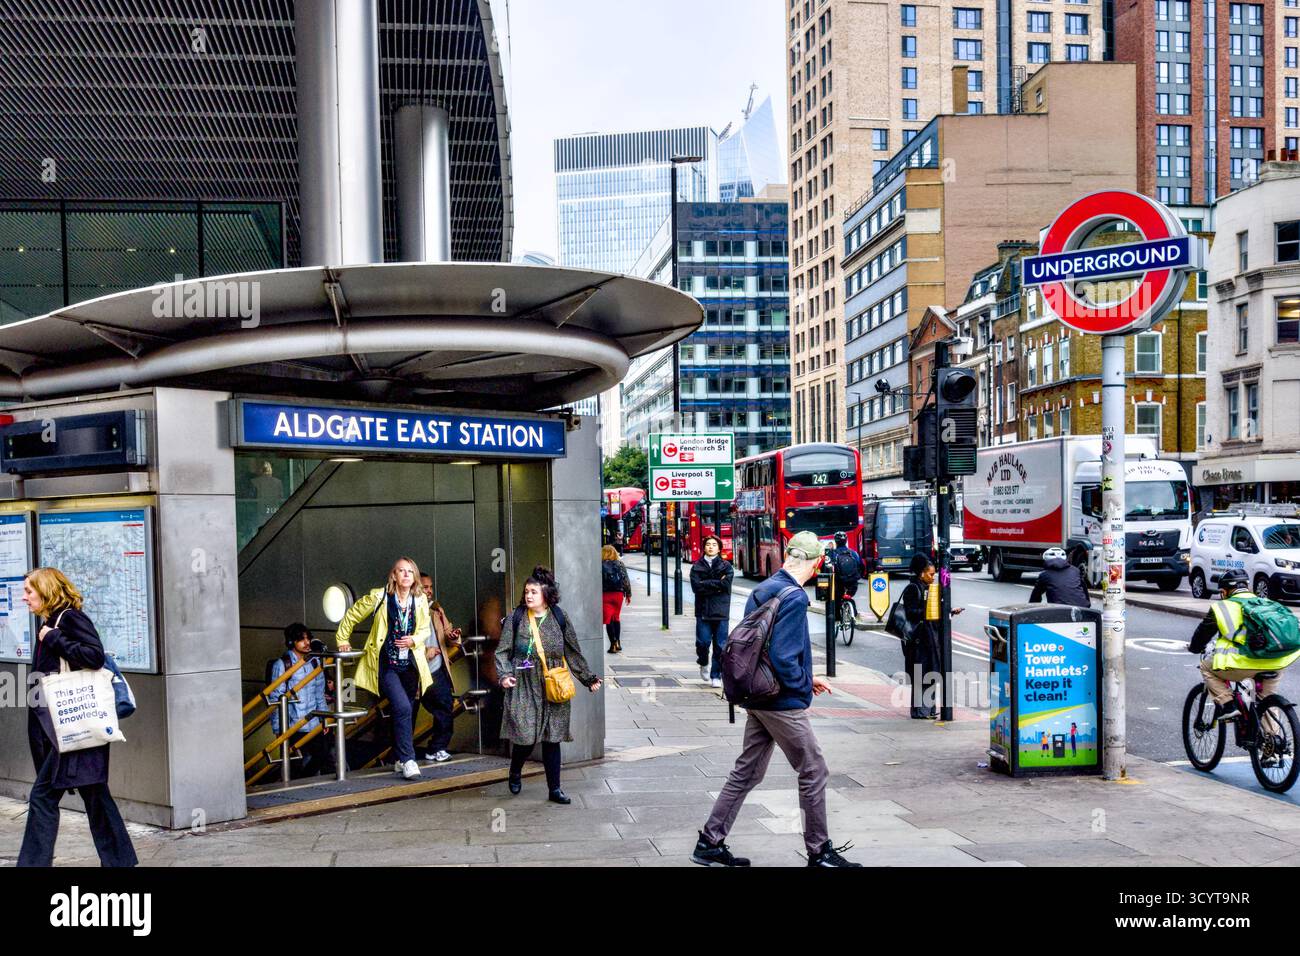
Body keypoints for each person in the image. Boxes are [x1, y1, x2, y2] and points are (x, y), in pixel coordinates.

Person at [692, 531, 861, 868]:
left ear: (787, 556)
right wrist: (800, 686)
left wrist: (804, 676)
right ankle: (819, 851)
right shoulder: (795, 597)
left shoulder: (764, 588)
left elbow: (759, 645)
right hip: (780, 701)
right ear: (815, 564)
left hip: (756, 693)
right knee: (813, 769)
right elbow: (783, 656)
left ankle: (710, 842)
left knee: (747, 771)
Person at [18, 567, 137, 867]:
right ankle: (121, 861)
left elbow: (94, 655)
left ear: (45, 591)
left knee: (43, 798)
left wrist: (55, 638)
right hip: (66, 728)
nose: (24, 598)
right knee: (95, 794)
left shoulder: (68, 619)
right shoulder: (50, 622)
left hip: (73, 727)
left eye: (29, 591)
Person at [496, 566, 602, 804]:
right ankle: (515, 770)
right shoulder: (516, 618)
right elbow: (502, 652)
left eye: (534, 591)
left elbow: (572, 651)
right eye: (526, 591)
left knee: (552, 738)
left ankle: (555, 789)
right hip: (523, 683)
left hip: (554, 683)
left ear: (546, 594)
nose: (528, 596)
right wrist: (504, 676)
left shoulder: (559, 617)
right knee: (525, 736)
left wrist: (588, 678)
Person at [335, 557, 434, 781]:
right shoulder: (380, 597)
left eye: (410, 571)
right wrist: (343, 639)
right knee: (401, 706)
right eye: (402, 571)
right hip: (386, 664)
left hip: (409, 664)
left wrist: (414, 640)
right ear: (394, 576)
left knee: (406, 710)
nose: (406, 575)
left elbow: (425, 629)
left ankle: (399, 758)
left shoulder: (419, 600)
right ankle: (409, 760)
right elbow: (353, 614)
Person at [1188, 569, 1300, 721]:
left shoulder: (1222, 607)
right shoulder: (1267, 603)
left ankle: (1227, 705)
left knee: (1206, 667)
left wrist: (1194, 648)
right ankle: (1272, 740)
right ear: (1248, 587)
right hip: (1278, 661)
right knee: (1266, 700)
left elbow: (1203, 634)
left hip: (1243, 664)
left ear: (1223, 591)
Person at [899, 554, 964, 719]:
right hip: (919, 640)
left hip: (930, 638)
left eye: (934, 574)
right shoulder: (913, 589)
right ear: (921, 573)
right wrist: (928, 612)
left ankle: (928, 709)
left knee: (932, 673)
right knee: (921, 675)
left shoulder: (928, 588)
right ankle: (920, 711)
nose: (933, 577)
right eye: (930, 574)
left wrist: (947, 611)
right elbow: (911, 613)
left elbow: (934, 612)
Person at [267, 622, 330, 777]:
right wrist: (278, 729)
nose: (307, 642)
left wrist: (325, 719)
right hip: (293, 726)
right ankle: (299, 785)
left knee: (323, 755)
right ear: (291, 642)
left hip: (314, 723)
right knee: (294, 764)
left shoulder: (315, 662)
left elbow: (319, 694)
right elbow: (276, 699)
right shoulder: (282, 665)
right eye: (301, 639)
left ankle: (305, 781)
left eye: (308, 638)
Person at [419, 573, 462, 763]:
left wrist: (453, 636)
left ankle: (437, 748)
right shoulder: (408, 611)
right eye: (424, 587)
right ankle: (400, 757)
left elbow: (448, 634)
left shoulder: (436, 610)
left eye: (430, 587)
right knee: (407, 713)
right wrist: (425, 651)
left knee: (445, 706)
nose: (429, 591)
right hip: (417, 670)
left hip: (437, 669)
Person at [689, 534, 734, 686]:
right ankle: (703, 662)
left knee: (720, 646)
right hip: (703, 611)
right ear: (704, 547)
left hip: (721, 611)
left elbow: (726, 586)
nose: (711, 547)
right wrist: (716, 584)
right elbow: (697, 587)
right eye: (708, 544)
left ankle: (716, 675)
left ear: (719, 548)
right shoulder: (697, 566)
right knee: (703, 642)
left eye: (714, 544)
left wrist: (706, 583)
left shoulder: (726, 566)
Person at [600, 544, 632, 654]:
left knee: (608, 619)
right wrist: (628, 594)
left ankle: (613, 644)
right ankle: (618, 642)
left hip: (605, 595)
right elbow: (625, 580)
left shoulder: (600, 565)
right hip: (618, 595)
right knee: (616, 618)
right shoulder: (620, 564)